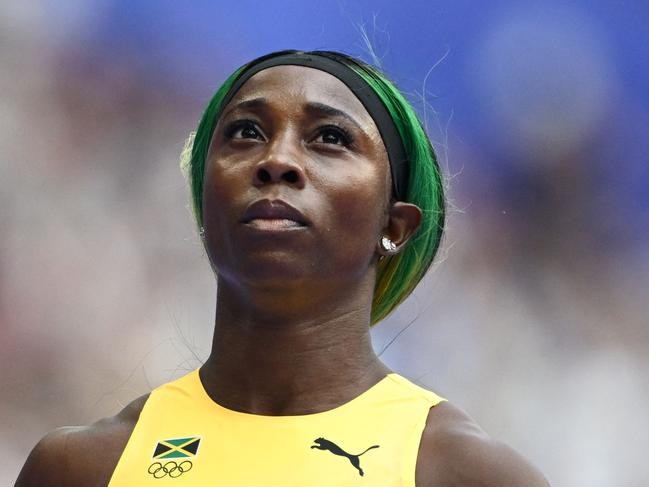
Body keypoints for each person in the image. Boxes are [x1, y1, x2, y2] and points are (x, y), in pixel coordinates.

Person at [16, 50, 549, 486]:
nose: (277, 160)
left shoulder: (466, 473)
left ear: (396, 226)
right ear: (206, 204)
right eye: (246, 132)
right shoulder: (81, 467)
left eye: (330, 138)